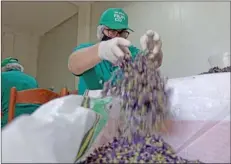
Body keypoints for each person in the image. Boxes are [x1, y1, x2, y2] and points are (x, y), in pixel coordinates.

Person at [68, 8, 163, 95]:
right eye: (112, 31)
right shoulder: (89, 49)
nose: (117, 36)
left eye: (122, 33)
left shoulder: (131, 52)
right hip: (89, 110)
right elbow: (73, 65)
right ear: (101, 31)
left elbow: (150, 64)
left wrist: (154, 53)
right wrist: (101, 50)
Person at [1, 57, 40, 128]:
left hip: (9, 124)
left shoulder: (2, 77)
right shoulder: (32, 80)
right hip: (32, 123)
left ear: (3, 69)